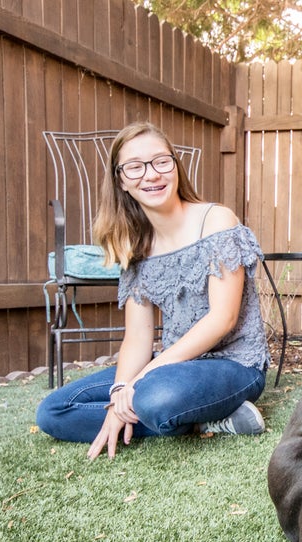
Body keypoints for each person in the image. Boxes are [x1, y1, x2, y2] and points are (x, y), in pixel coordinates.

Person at [36, 122, 270, 460]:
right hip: (170, 367)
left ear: (175, 166)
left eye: (161, 161)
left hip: (235, 366)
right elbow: (138, 337)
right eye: (135, 166)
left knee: (151, 397)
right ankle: (201, 422)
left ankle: (168, 412)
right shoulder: (136, 245)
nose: (151, 175)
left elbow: (223, 318)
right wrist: (120, 390)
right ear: (121, 180)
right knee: (53, 411)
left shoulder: (217, 220)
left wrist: (138, 385)